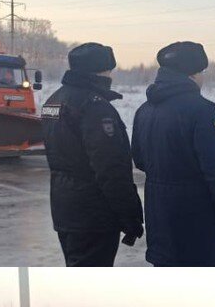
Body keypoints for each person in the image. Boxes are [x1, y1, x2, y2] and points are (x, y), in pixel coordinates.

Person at [132, 42, 215, 266]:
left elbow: (140, 160)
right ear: (193, 74)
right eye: (202, 72)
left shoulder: (144, 110)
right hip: (195, 216)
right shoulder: (201, 110)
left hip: (158, 213)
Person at [42, 43, 143, 266]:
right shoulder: (94, 106)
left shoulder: (54, 100)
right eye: (109, 70)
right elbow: (111, 169)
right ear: (102, 70)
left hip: (65, 210)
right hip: (93, 215)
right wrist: (130, 216)